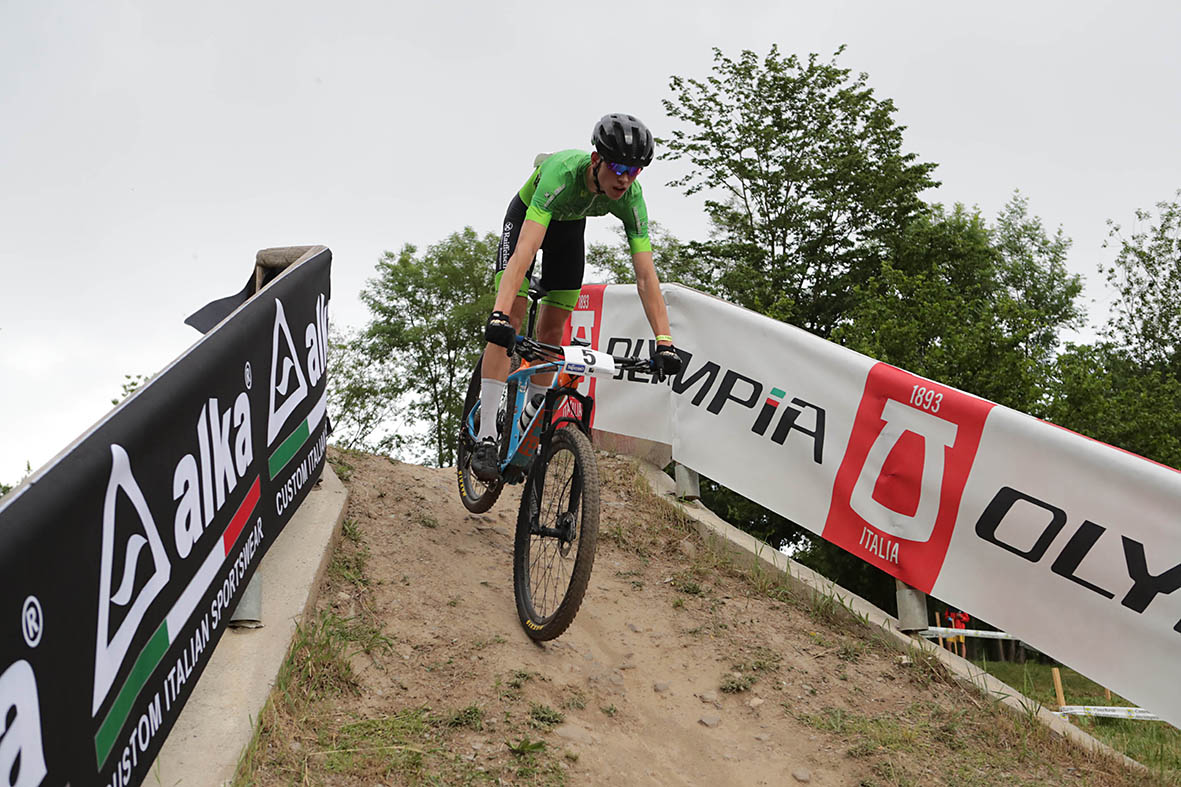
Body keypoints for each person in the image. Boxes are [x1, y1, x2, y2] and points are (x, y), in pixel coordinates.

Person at [471, 113, 682, 482]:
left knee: (552, 335)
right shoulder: (563, 173)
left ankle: (527, 428)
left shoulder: (631, 197)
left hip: (569, 232)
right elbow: (525, 250)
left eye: (635, 171)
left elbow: (646, 277)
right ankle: (487, 436)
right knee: (514, 320)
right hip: (529, 220)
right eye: (618, 166)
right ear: (597, 159)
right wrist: (500, 314)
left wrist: (664, 341)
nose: (625, 178)